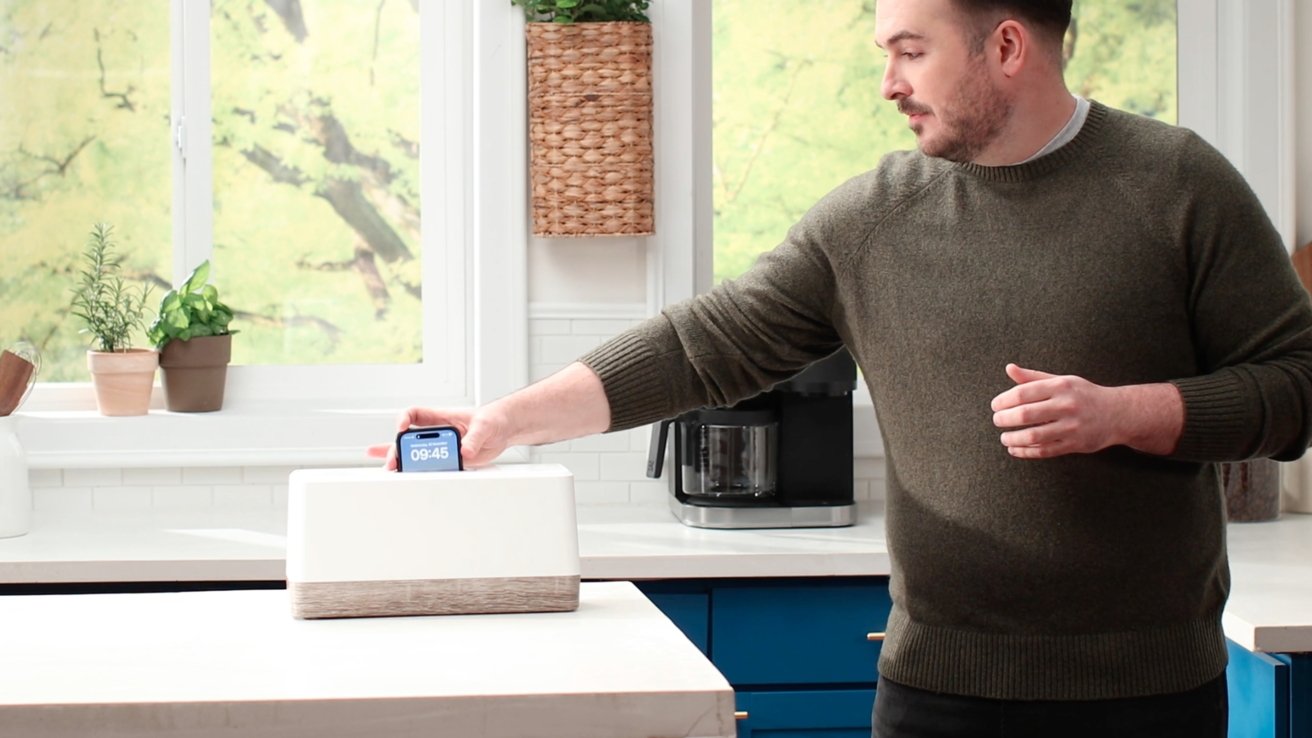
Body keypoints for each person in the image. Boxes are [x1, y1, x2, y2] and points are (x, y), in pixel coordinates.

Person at [369, 0, 1312, 735]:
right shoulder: (872, 217)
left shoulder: (1180, 185)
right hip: (933, 695)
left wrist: (1127, 414)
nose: (889, 83)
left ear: (1008, 48)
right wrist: (502, 422)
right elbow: (703, 343)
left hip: (1144, 697)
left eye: (911, 50)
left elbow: (1297, 385)